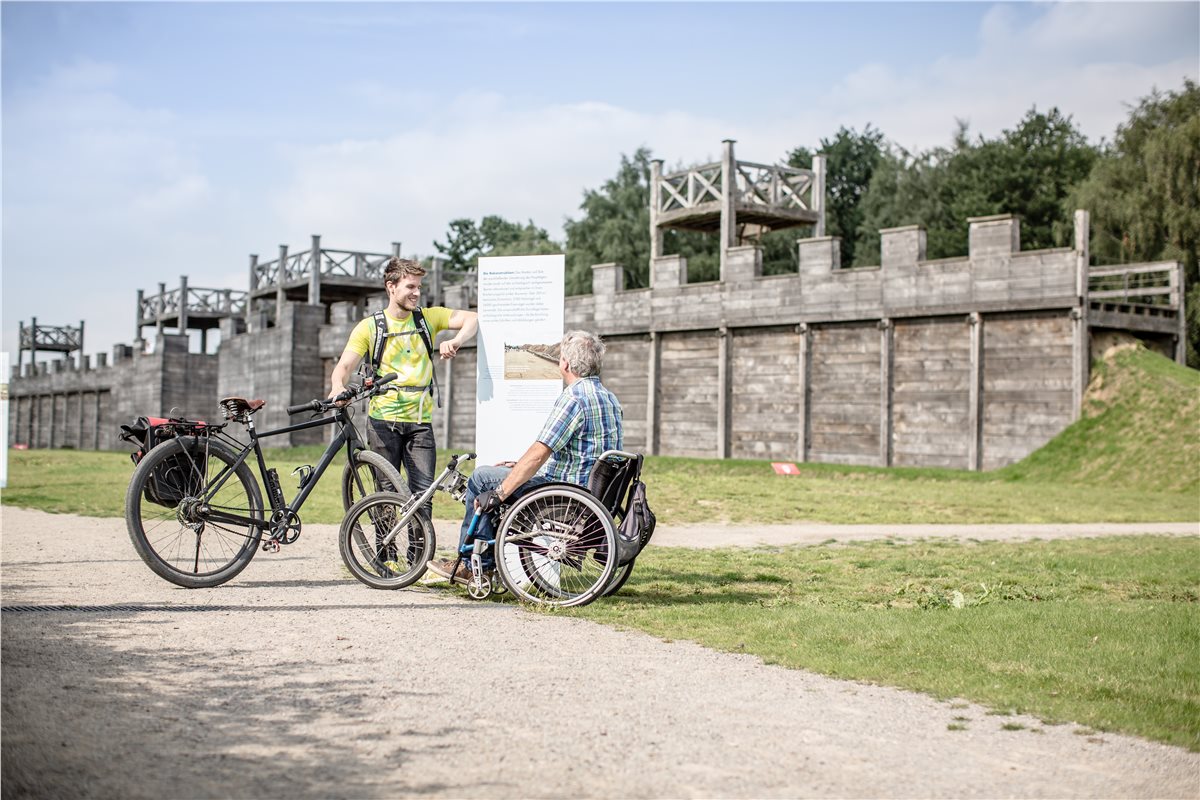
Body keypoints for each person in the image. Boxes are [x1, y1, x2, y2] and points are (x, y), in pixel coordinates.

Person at [427, 329, 623, 584]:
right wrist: (518, 466)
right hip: (591, 492)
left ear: (565, 363)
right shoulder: (609, 398)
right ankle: (483, 560)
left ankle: (473, 566)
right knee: (501, 476)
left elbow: (539, 453)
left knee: (482, 478)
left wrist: (500, 493)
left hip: (565, 493)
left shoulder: (574, 398)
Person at [329, 257, 478, 516]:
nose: (417, 293)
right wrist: (336, 386)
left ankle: (419, 544)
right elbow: (344, 366)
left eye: (419, 287)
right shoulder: (369, 327)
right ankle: (384, 544)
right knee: (385, 496)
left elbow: (473, 318)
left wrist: (456, 341)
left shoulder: (427, 318)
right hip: (383, 421)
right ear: (391, 287)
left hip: (420, 423)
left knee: (423, 498)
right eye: (410, 286)